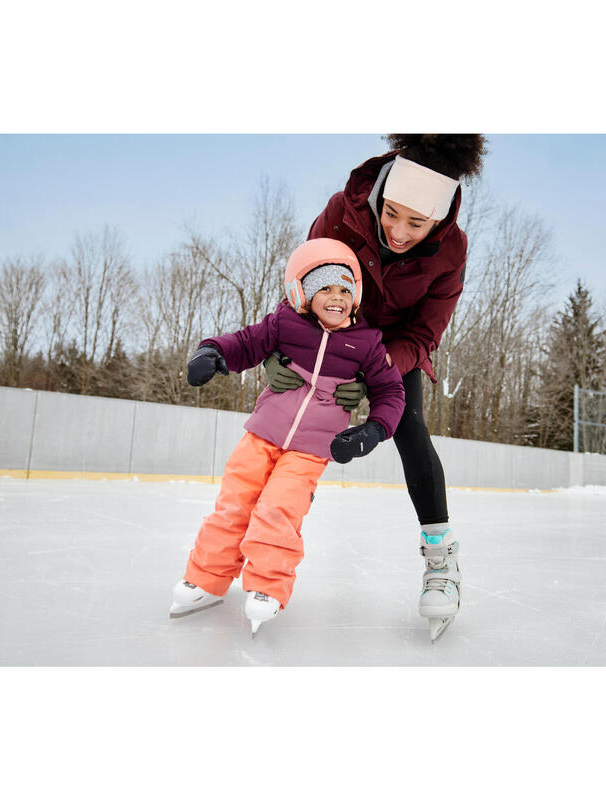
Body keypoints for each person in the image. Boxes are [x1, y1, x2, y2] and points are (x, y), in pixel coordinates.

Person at [263, 134, 486, 641]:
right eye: (392, 213)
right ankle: (266, 542)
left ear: (441, 217)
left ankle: (441, 558)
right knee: (299, 425)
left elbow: (425, 333)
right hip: (331, 330)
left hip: (394, 349)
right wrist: (280, 348)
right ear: (381, 191)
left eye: (417, 222)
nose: (399, 231)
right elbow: (305, 283)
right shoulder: (342, 211)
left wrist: (379, 366)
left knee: (409, 427)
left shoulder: (452, 250)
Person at [169, 238, 406, 635]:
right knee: (233, 504)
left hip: (311, 449)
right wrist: (210, 352)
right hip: (262, 435)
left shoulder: (366, 343)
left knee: (278, 510)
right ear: (302, 293)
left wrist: (373, 429)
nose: (337, 297)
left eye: (346, 289)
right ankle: (206, 579)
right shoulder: (284, 323)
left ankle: (267, 587)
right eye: (326, 288)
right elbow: (245, 343)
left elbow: (392, 392)